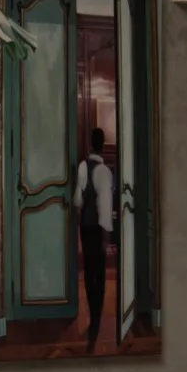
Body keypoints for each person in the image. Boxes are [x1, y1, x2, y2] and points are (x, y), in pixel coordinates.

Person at [74, 126, 115, 351]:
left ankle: (93, 313)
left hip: (85, 227)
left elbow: (77, 201)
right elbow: (106, 207)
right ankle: (97, 317)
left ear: (91, 143)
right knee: (100, 274)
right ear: (103, 144)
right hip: (99, 229)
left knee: (89, 272)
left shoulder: (82, 167)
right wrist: (106, 236)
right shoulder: (105, 172)